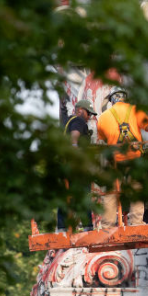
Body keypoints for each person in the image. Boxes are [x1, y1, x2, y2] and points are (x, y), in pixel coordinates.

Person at [93, 90, 148, 226]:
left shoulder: (103, 117)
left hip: (115, 162)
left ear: (111, 100)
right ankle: (136, 223)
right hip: (134, 160)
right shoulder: (135, 111)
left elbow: (102, 139)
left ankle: (106, 225)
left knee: (110, 193)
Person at [57, 99, 96, 231]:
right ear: (80, 110)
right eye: (88, 113)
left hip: (64, 166)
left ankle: (62, 227)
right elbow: (75, 135)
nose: (89, 117)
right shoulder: (78, 121)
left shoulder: (66, 122)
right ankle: (88, 226)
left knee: (66, 196)